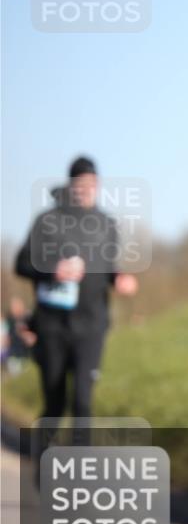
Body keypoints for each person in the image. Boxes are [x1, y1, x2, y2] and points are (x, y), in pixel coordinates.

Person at [14, 156, 138, 423]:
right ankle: (44, 462)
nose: (86, 189)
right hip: (52, 326)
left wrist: (118, 279)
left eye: (91, 183)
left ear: (98, 185)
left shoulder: (106, 224)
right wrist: (51, 271)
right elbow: (21, 263)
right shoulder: (48, 220)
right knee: (54, 405)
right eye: (80, 183)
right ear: (70, 185)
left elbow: (107, 268)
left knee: (82, 403)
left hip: (92, 326)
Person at [2, 296, 37, 377]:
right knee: (15, 377)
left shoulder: (28, 318)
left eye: (16, 306)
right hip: (13, 354)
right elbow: (6, 336)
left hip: (27, 353)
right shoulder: (9, 320)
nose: (14, 308)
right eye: (12, 307)